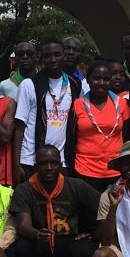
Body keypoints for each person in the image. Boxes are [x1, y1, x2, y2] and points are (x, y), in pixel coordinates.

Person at [9, 144, 100, 257]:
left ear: (60, 164)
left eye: (54, 163)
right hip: (40, 241)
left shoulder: (75, 185)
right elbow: (23, 226)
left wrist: (93, 232)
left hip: (69, 241)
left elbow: (104, 204)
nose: (49, 168)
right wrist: (37, 233)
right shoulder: (24, 189)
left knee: (87, 249)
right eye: (44, 163)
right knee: (23, 247)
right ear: (36, 165)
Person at [13, 39, 82, 181]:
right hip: (31, 159)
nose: (53, 59)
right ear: (41, 58)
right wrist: (16, 164)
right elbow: (19, 125)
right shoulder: (29, 84)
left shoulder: (74, 84)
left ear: (64, 55)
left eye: (57, 54)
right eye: (48, 56)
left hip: (62, 160)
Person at [68, 59, 130, 192]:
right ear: (88, 80)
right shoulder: (78, 105)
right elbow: (71, 138)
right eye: (96, 78)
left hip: (115, 170)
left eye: (106, 79)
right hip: (85, 170)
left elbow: (127, 135)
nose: (101, 83)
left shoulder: (121, 104)